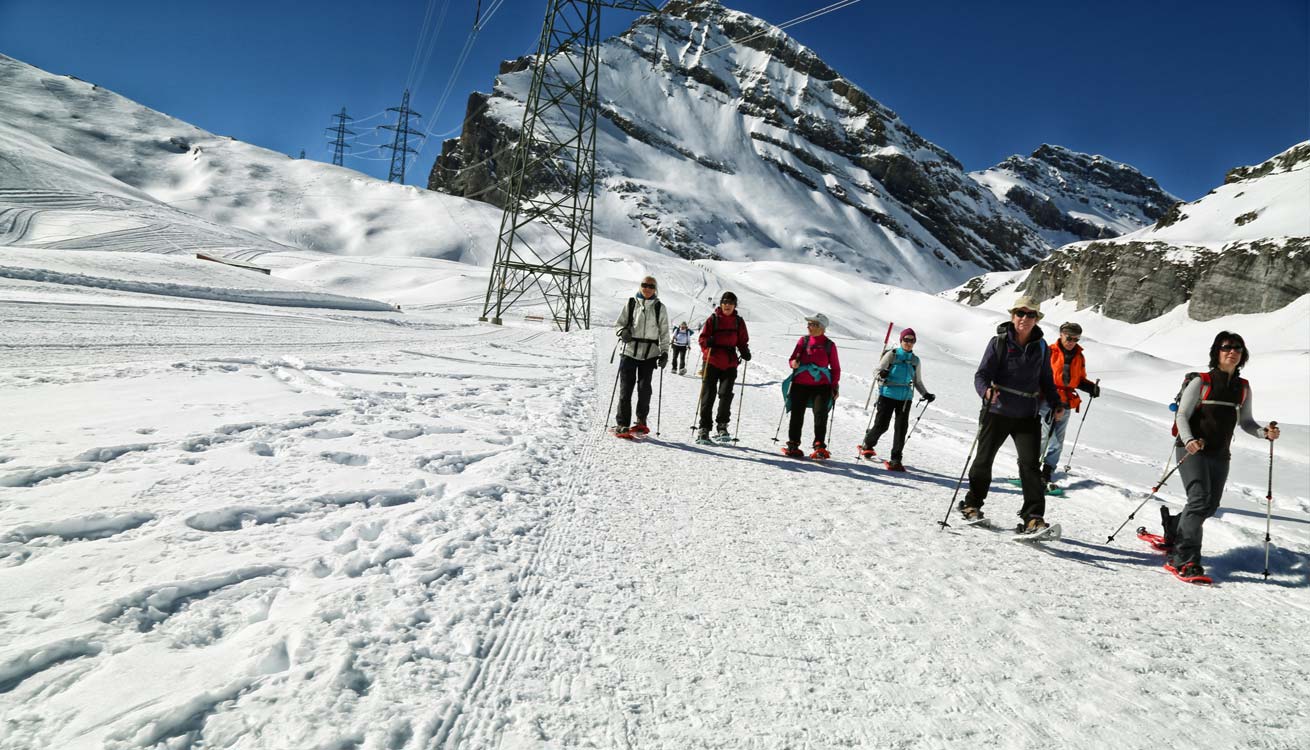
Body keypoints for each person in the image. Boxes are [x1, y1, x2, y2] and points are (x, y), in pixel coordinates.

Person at [1162, 331, 1280, 578]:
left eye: (1237, 348)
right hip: (1191, 449)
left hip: (1220, 453)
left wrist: (1264, 433)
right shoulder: (1202, 381)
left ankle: (1174, 527)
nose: (1232, 352)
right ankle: (1184, 558)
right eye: (1227, 347)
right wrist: (1189, 440)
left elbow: (1246, 422)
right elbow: (1182, 415)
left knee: (1210, 505)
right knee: (1199, 500)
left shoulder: (1242, 387)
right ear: (1217, 352)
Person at [960, 296, 1065, 532]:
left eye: (1030, 315)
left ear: (1037, 319)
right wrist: (986, 392)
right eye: (1020, 313)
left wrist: (1056, 402)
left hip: (1027, 415)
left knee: (1030, 466)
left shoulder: (1041, 347)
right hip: (996, 411)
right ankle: (972, 504)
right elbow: (981, 375)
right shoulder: (998, 342)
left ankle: (1034, 517)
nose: (1024, 319)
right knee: (984, 460)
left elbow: (1047, 380)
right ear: (1012, 315)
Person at [859, 327, 934, 470]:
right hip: (887, 394)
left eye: (911, 340)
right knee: (882, 425)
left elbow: (917, 381)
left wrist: (925, 394)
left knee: (901, 428)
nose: (908, 343)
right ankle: (868, 443)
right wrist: (882, 375)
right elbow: (876, 371)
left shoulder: (915, 360)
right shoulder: (892, 355)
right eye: (906, 340)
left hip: (905, 398)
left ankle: (896, 459)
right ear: (901, 340)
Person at [1038, 321, 1101, 486]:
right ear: (1061, 334)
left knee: (1058, 437)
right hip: (1047, 398)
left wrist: (1091, 387)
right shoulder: (1049, 351)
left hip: (1066, 401)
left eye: (1076, 339)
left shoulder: (1079, 356)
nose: (1072, 341)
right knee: (1046, 435)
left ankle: (1047, 470)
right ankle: (1031, 467)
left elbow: (1078, 379)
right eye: (1069, 337)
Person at [612, 275, 670, 437]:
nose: (647, 288)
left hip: (650, 354)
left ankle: (641, 421)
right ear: (640, 286)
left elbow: (664, 332)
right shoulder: (631, 304)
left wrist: (664, 352)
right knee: (626, 389)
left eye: (651, 286)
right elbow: (619, 323)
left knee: (645, 390)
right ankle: (622, 423)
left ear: (655, 289)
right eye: (644, 285)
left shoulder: (660, 308)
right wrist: (622, 332)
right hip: (629, 351)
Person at [783, 313, 841, 459]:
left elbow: (835, 368)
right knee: (797, 413)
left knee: (820, 414)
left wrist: (834, 387)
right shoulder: (803, 341)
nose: (808, 327)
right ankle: (793, 444)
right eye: (809, 324)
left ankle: (819, 445)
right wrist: (793, 363)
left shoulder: (829, 345)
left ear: (821, 327)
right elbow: (792, 359)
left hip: (821, 386)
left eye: (812, 324)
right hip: (800, 384)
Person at [696, 293, 750, 443]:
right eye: (725, 302)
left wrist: (744, 351)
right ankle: (704, 428)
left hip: (730, 362)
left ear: (734, 305)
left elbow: (742, 340)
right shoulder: (713, 320)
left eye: (730, 303)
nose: (727, 305)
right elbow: (702, 339)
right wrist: (708, 342)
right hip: (712, 360)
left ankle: (722, 426)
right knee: (708, 394)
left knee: (725, 394)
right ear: (721, 304)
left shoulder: (738, 322)